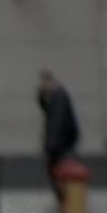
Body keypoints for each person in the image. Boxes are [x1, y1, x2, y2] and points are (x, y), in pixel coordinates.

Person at [37, 70, 80, 201]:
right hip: (61, 142)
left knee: (58, 170)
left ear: (50, 82)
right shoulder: (54, 95)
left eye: (45, 83)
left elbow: (57, 122)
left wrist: (50, 146)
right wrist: (40, 95)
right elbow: (45, 109)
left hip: (62, 142)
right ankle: (63, 200)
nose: (44, 86)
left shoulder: (59, 96)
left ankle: (66, 200)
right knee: (55, 171)